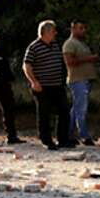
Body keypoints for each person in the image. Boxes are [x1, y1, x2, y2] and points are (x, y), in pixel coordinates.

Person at [21, 19, 72, 149]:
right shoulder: (33, 47)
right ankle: (47, 140)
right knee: (44, 113)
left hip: (57, 85)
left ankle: (63, 139)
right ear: (46, 32)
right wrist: (34, 82)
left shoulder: (55, 45)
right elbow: (26, 66)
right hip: (42, 86)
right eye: (53, 31)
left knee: (64, 110)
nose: (55, 33)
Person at [62, 21, 100, 145]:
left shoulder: (82, 44)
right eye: (81, 28)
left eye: (84, 28)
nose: (83, 30)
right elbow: (69, 61)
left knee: (76, 108)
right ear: (73, 29)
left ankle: (68, 134)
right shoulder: (69, 44)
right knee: (81, 108)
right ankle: (84, 135)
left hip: (86, 79)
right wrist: (89, 59)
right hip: (77, 80)